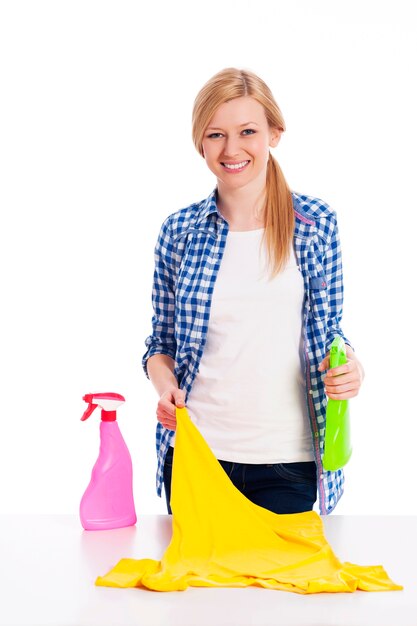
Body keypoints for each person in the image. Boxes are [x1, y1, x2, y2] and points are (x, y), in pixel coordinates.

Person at [142, 67, 364, 516]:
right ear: (200, 142)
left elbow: (331, 332)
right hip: (198, 456)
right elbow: (161, 345)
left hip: (289, 462)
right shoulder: (179, 231)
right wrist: (165, 387)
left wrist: (351, 366)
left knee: (280, 587)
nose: (231, 149)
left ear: (274, 134)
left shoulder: (316, 224)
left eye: (247, 131)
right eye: (215, 134)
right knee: (201, 587)